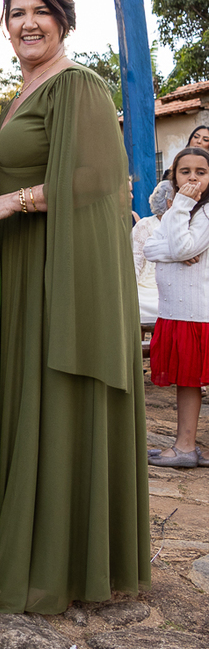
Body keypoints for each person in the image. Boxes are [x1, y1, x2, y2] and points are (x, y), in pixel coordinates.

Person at [0, 0, 148, 614]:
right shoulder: (20, 93)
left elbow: (96, 177)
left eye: (40, 11)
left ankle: (67, 560)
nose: (28, 23)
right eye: (17, 13)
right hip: (20, 261)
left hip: (61, 265)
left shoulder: (79, 85)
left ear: (62, 19)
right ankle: (30, 541)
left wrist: (8, 202)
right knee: (25, 396)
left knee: (58, 398)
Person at [144, 146, 209, 467]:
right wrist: (177, 249)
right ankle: (184, 447)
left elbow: (184, 247)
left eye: (201, 172)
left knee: (192, 380)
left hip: (197, 313)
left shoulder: (205, 213)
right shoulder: (177, 211)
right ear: (173, 177)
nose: (193, 178)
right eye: (185, 172)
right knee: (187, 381)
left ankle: (186, 446)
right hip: (177, 312)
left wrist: (181, 206)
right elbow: (151, 247)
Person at [131, 179, 172, 337]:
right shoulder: (145, 225)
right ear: (169, 203)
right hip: (147, 289)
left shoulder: (187, 225)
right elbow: (135, 264)